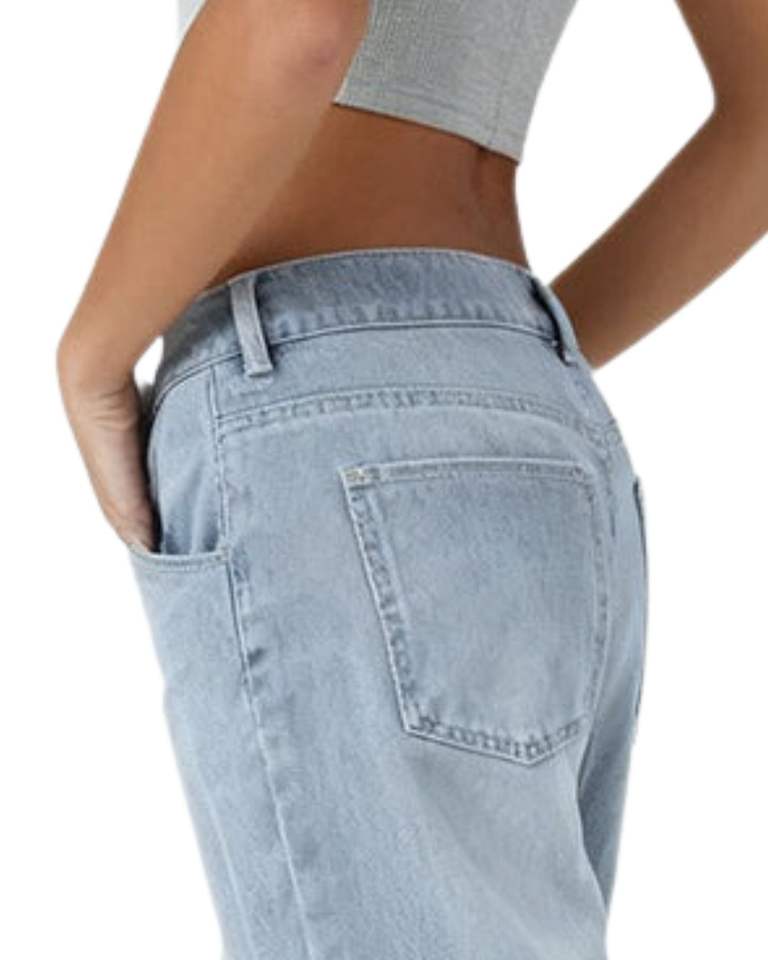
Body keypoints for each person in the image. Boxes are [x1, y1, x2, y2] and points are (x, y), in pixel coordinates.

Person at [56, 1, 768, 958]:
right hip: (534, 411)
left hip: (316, 392)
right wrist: (498, 367)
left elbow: (297, 24)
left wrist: (93, 357)